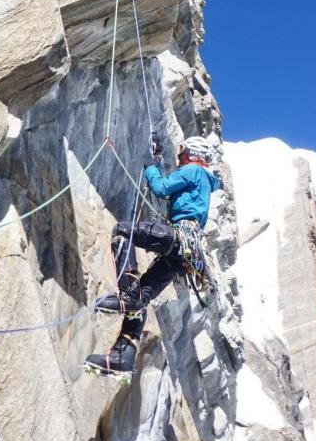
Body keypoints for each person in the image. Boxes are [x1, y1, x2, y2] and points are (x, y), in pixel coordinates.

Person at [85, 136, 221, 381]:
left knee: (123, 231)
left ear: (192, 153)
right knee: (141, 299)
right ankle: (123, 356)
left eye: (182, 153)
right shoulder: (203, 179)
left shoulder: (193, 170)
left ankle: (126, 293)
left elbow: (161, 188)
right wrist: (156, 161)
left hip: (178, 236)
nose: (179, 158)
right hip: (184, 252)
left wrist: (150, 166)